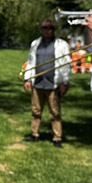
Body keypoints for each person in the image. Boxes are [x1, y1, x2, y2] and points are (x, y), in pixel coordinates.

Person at [21, 19, 71, 147]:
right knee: (36, 111)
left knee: (55, 113)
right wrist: (28, 79)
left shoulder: (61, 44)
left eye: (50, 28)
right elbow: (30, 61)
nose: (47, 30)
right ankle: (34, 134)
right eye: (45, 28)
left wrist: (65, 82)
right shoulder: (35, 44)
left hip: (53, 84)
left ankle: (57, 138)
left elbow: (66, 64)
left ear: (54, 30)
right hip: (38, 83)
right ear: (40, 29)